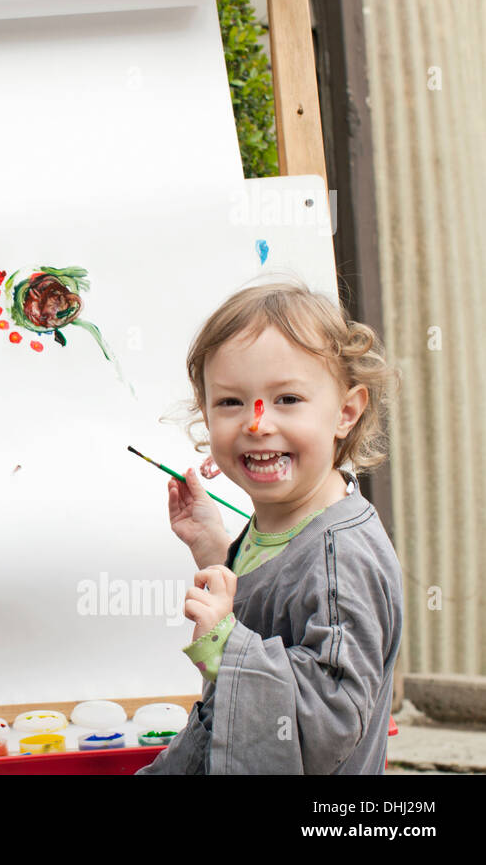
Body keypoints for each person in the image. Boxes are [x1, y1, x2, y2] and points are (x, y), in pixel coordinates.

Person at [138, 280, 402, 774]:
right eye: (231, 403)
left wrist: (225, 644)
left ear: (346, 411)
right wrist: (217, 554)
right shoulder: (281, 528)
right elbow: (270, 610)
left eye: (287, 399)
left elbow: (330, 723)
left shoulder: (342, 559)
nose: (257, 424)